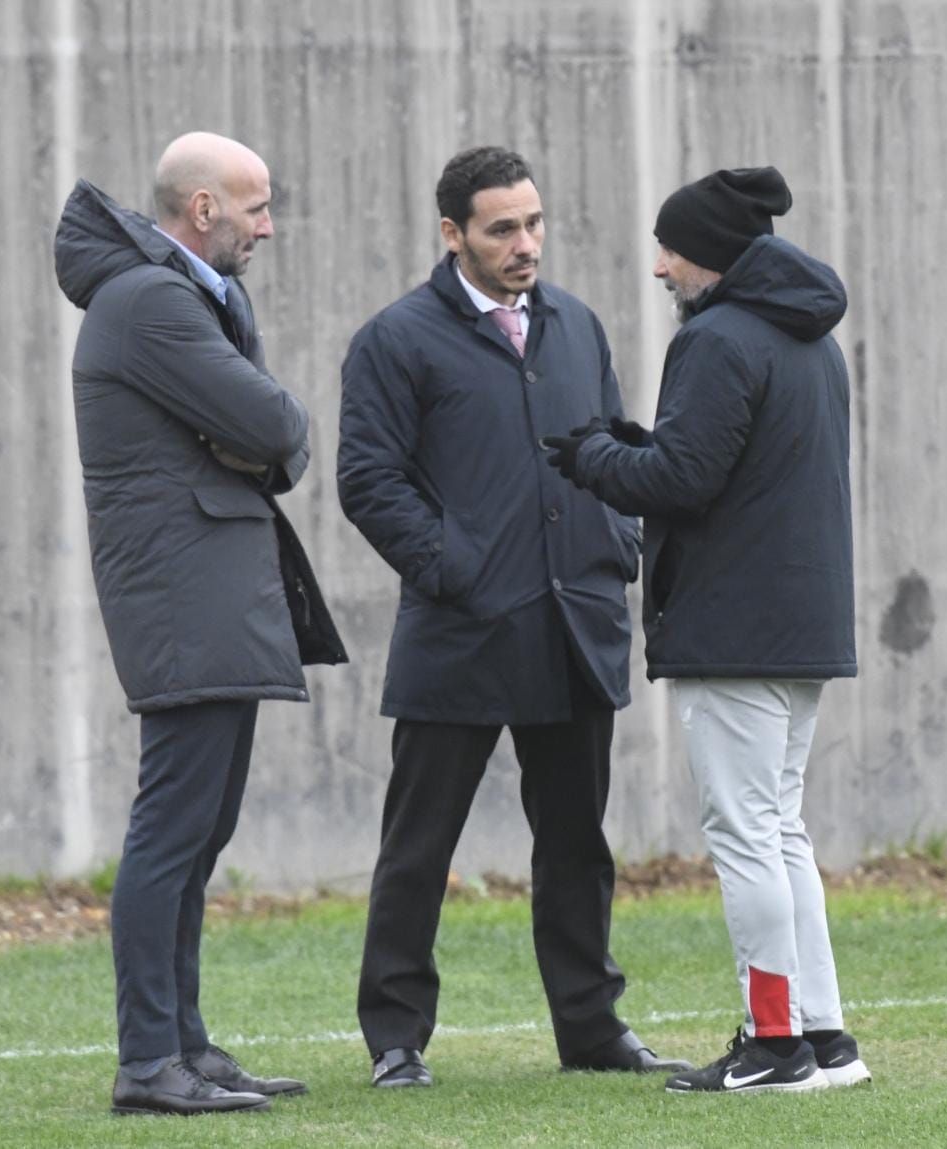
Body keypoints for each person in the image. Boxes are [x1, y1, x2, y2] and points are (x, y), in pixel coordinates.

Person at [337, 146, 690, 1088]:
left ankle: (591, 1027)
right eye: (502, 229)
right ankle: (396, 1037)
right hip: (460, 631)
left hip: (576, 626)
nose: (525, 243)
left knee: (577, 844)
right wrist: (453, 567)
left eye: (533, 223)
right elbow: (368, 480)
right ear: (452, 234)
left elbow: (612, 446)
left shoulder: (576, 324)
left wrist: (616, 546)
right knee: (418, 848)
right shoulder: (395, 339)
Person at [542, 166, 871, 1095]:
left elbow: (682, 481)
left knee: (746, 833)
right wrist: (631, 445)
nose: (660, 267)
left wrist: (593, 455)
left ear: (714, 256)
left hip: (735, 628)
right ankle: (822, 1036)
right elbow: (727, 467)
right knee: (780, 828)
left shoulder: (718, 336)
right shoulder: (807, 337)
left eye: (672, 250)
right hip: (799, 625)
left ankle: (774, 1044)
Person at [53, 131, 347, 1116]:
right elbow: (276, 426)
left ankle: (185, 1046)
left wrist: (257, 437)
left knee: (200, 829)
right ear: (204, 209)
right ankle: (149, 1062)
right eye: (256, 207)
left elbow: (263, 435)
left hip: (209, 591)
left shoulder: (180, 296)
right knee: (173, 829)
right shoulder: (151, 301)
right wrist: (261, 436)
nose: (269, 226)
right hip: (186, 596)